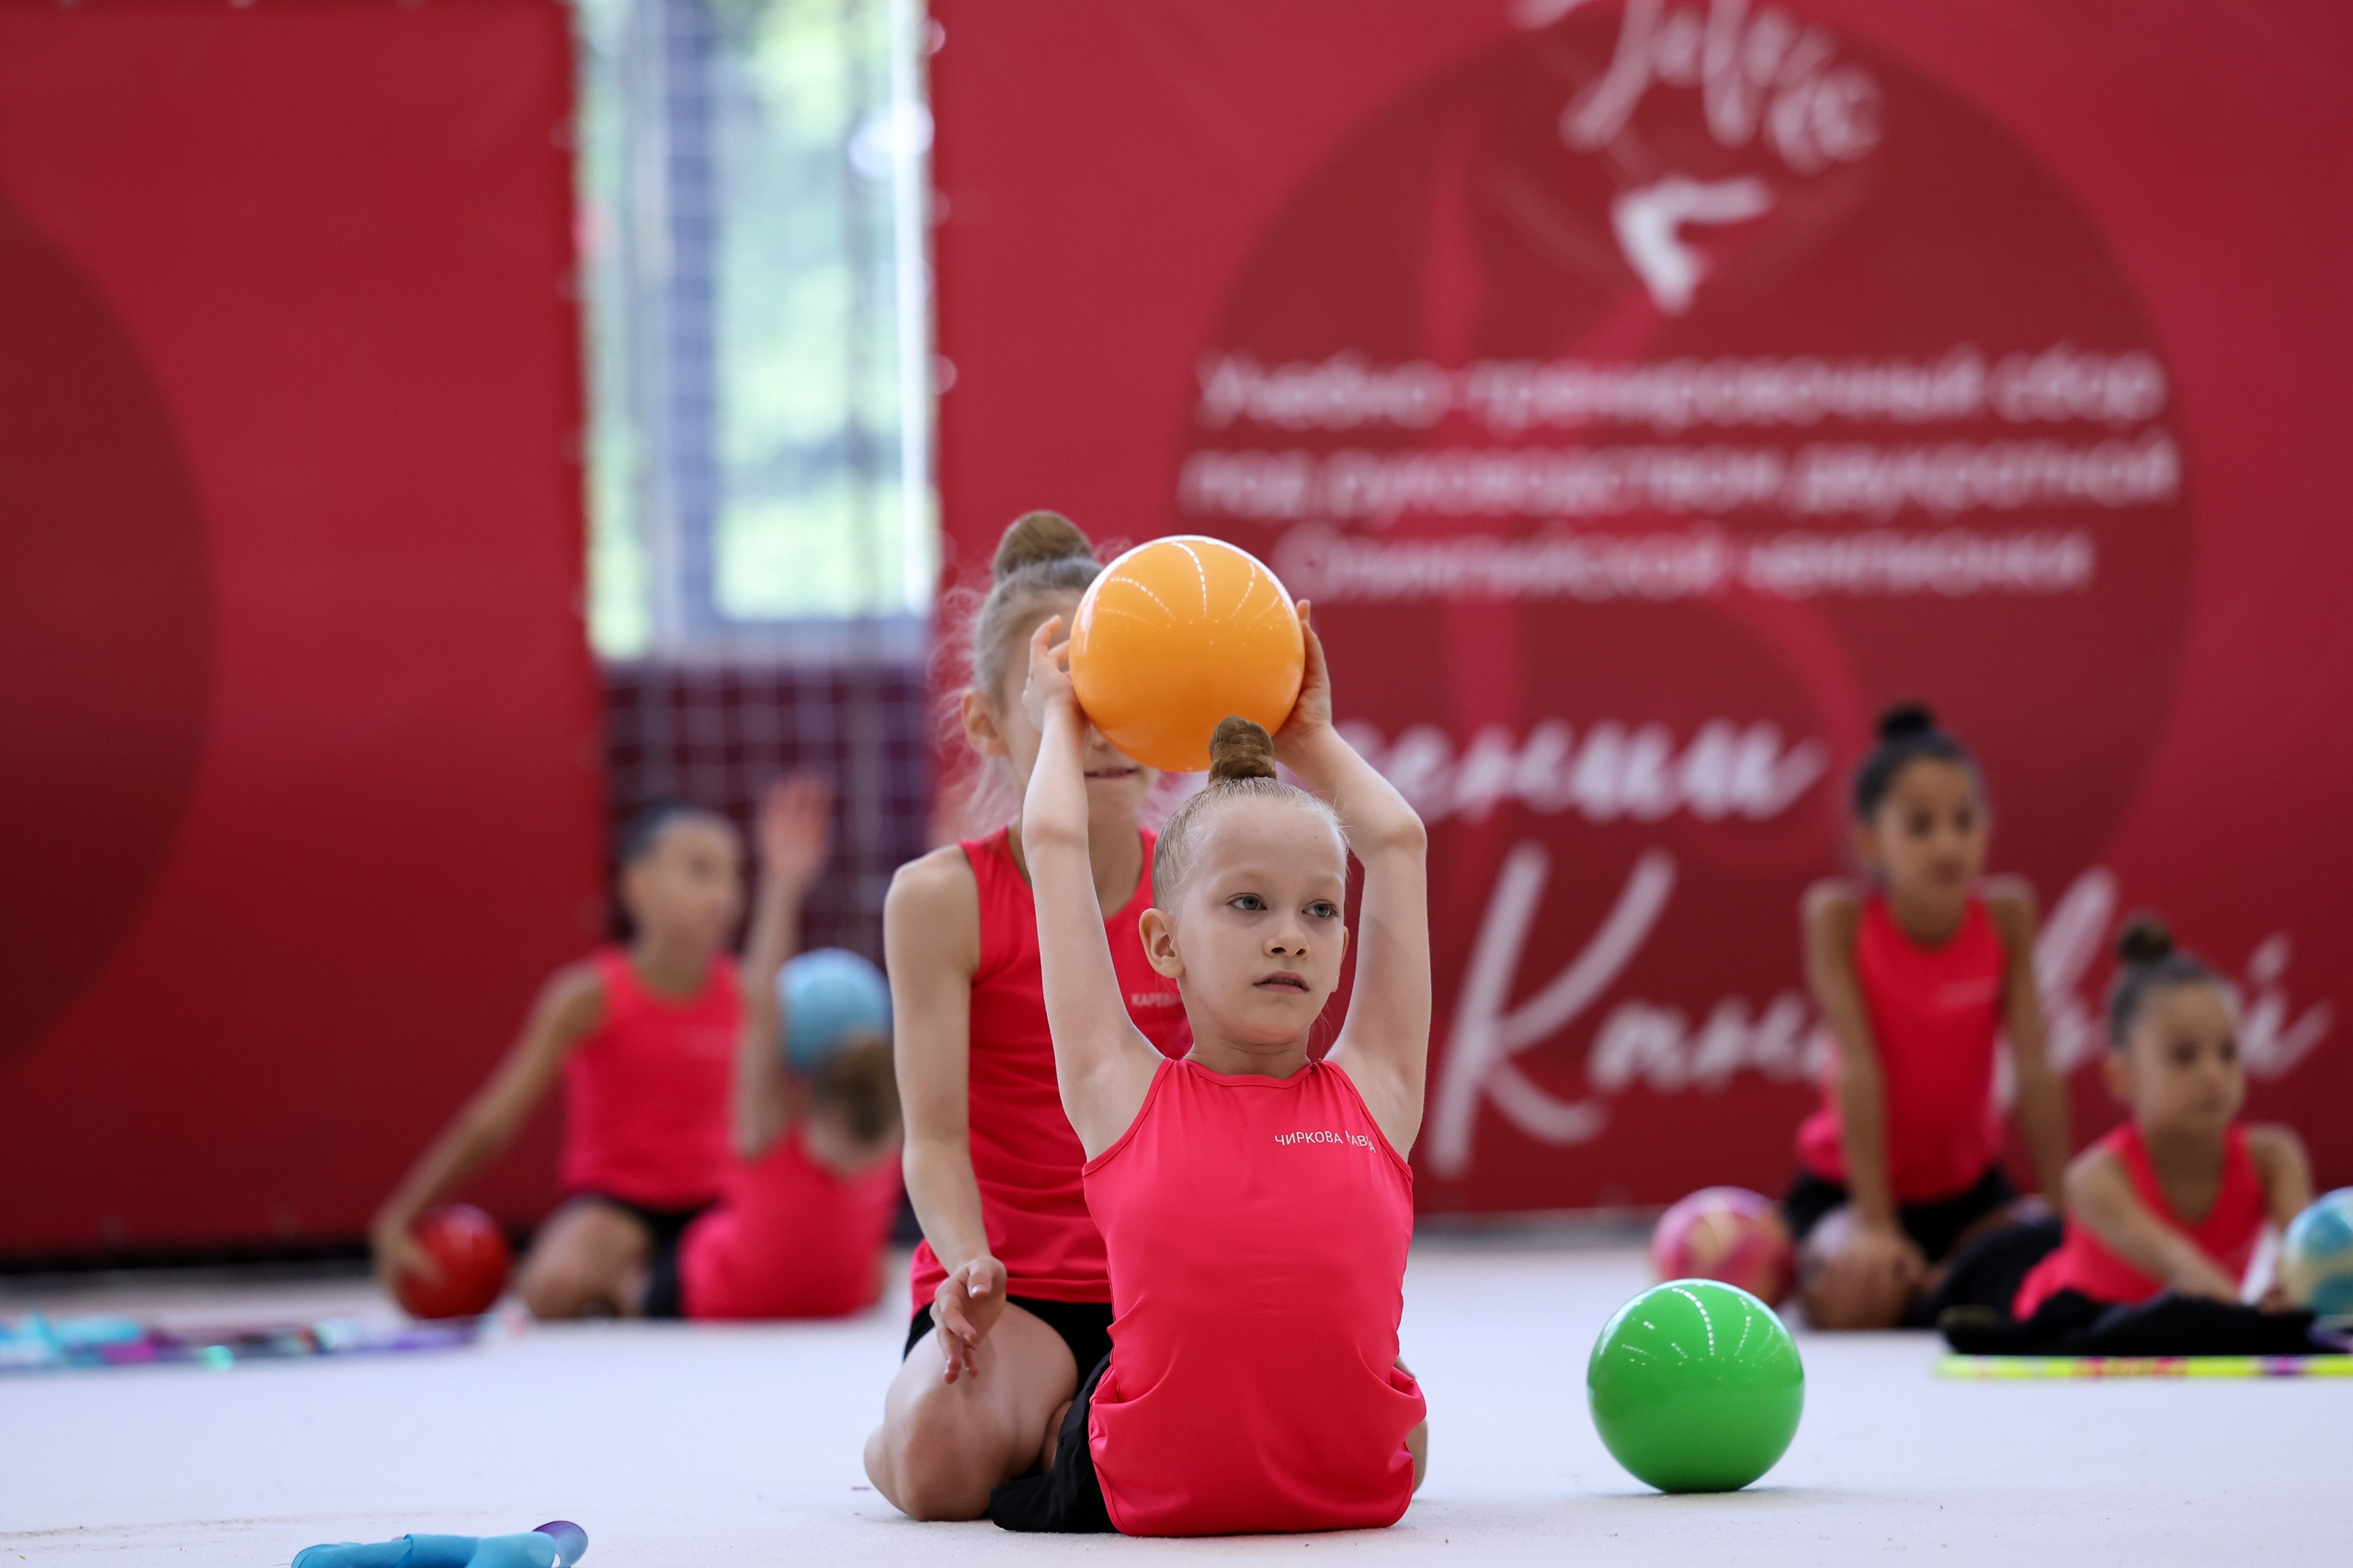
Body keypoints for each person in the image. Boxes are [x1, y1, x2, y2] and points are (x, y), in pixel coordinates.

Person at [988, 605, 1428, 1536]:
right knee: (956, 1465)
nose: (1287, 933)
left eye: (1319, 911)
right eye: (1247, 902)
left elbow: (1395, 842)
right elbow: (1056, 846)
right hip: (1148, 1487)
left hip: (1355, 1482)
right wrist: (1059, 718)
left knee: (1409, 1422)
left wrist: (1308, 735)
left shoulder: (1376, 1087)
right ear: (1162, 942)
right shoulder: (1119, 1089)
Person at [863, 514, 1193, 1521]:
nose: (1092, 729)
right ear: (985, 723)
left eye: (1114, 693)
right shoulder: (940, 899)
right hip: (1017, 1293)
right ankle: (1069, 1419)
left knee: (1394, 1437)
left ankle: (1078, 1425)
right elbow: (931, 1138)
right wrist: (967, 1266)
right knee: (933, 1461)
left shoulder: (1199, 881)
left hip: (1172, 1282)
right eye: (1057, 701)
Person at [371, 802, 743, 1319]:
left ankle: (642, 1290)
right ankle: (653, 1285)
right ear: (639, 887)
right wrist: (401, 1214)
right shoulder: (587, 995)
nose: (723, 895)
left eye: (733, 875)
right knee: (552, 1289)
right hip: (618, 1203)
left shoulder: (747, 995)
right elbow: (494, 1119)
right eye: (701, 871)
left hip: (718, 1204)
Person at [1789, 703, 2072, 1329]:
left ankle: (1940, 1278)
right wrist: (1874, 1220)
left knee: (2051, 1265)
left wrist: (2062, 1211)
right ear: (1870, 840)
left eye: (1963, 821)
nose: (1948, 842)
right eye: (1920, 825)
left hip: (1969, 1196)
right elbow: (1857, 1069)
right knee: (1855, 1302)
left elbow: (2035, 1070)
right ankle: (1921, 1277)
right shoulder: (1841, 919)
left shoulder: (2005, 916)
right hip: (1851, 1186)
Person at [654, 775, 905, 1320]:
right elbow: (760, 1015)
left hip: (825, 1297)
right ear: (804, 1092)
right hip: (709, 1289)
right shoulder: (768, 1125)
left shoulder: (887, 1130)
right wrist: (782, 888)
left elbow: (943, 1003)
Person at [2004, 915, 2313, 1326]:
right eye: (2184, 1055)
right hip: (2057, 1323)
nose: (2213, 1073)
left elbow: (2312, 1262)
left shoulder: (2274, 1157)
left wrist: (2300, 1289)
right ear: (2121, 1075)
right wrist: (2256, 1319)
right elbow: (2181, 1268)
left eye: (2227, 1051)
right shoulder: (2094, 1178)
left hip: (2186, 1335)